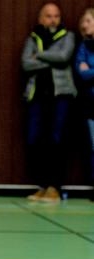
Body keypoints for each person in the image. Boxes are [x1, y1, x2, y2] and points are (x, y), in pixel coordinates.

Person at [21, 2, 77, 202]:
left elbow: (63, 57)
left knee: (57, 140)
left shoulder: (67, 36)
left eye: (56, 16)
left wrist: (40, 56)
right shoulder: (32, 38)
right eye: (48, 16)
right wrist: (46, 60)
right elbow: (26, 63)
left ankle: (55, 186)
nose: (53, 19)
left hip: (60, 95)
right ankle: (42, 185)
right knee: (35, 139)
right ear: (40, 19)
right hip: (37, 96)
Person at [75, 8, 94, 202]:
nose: (84, 24)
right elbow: (81, 73)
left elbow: (88, 71)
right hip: (90, 104)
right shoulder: (83, 47)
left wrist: (90, 70)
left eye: (88, 21)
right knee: (93, 147)